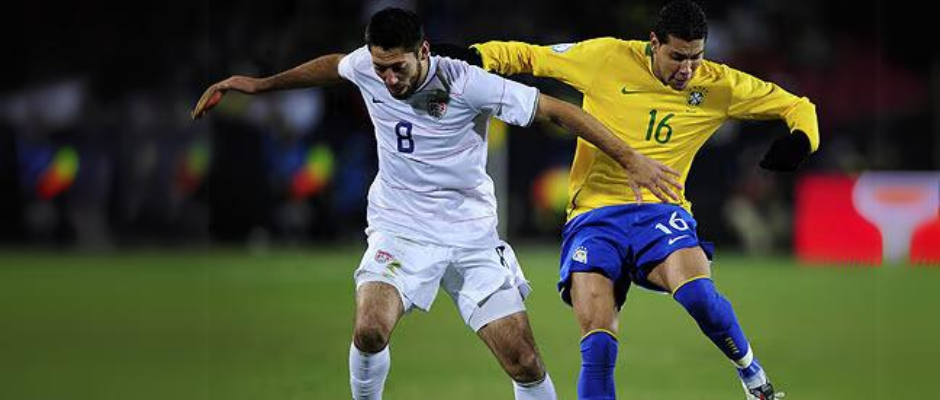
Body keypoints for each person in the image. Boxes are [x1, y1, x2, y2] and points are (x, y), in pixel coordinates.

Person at [191, 7, 683, 400]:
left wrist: (631, 159)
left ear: (423, 52)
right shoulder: (368, 65)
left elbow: (558, 110)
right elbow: (334, 66)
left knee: (525, 363)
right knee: (369, 330)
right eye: (379, 67)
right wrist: (258, 85)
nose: (387, 79)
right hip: (400, 226)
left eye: (398, 68)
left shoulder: (467, 83)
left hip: (471, 234)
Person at [435, 1, 819, 399]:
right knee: (599, 344)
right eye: (677, 57)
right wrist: (475, 56)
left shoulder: (719, 84)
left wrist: (801, 140)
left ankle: (752, 375)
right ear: (654, 43)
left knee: (699, 295)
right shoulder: (607, 57)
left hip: (662, 212)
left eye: (696, 58)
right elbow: (531, 57)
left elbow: (798, 106)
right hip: (594, 217)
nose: (687, 70)